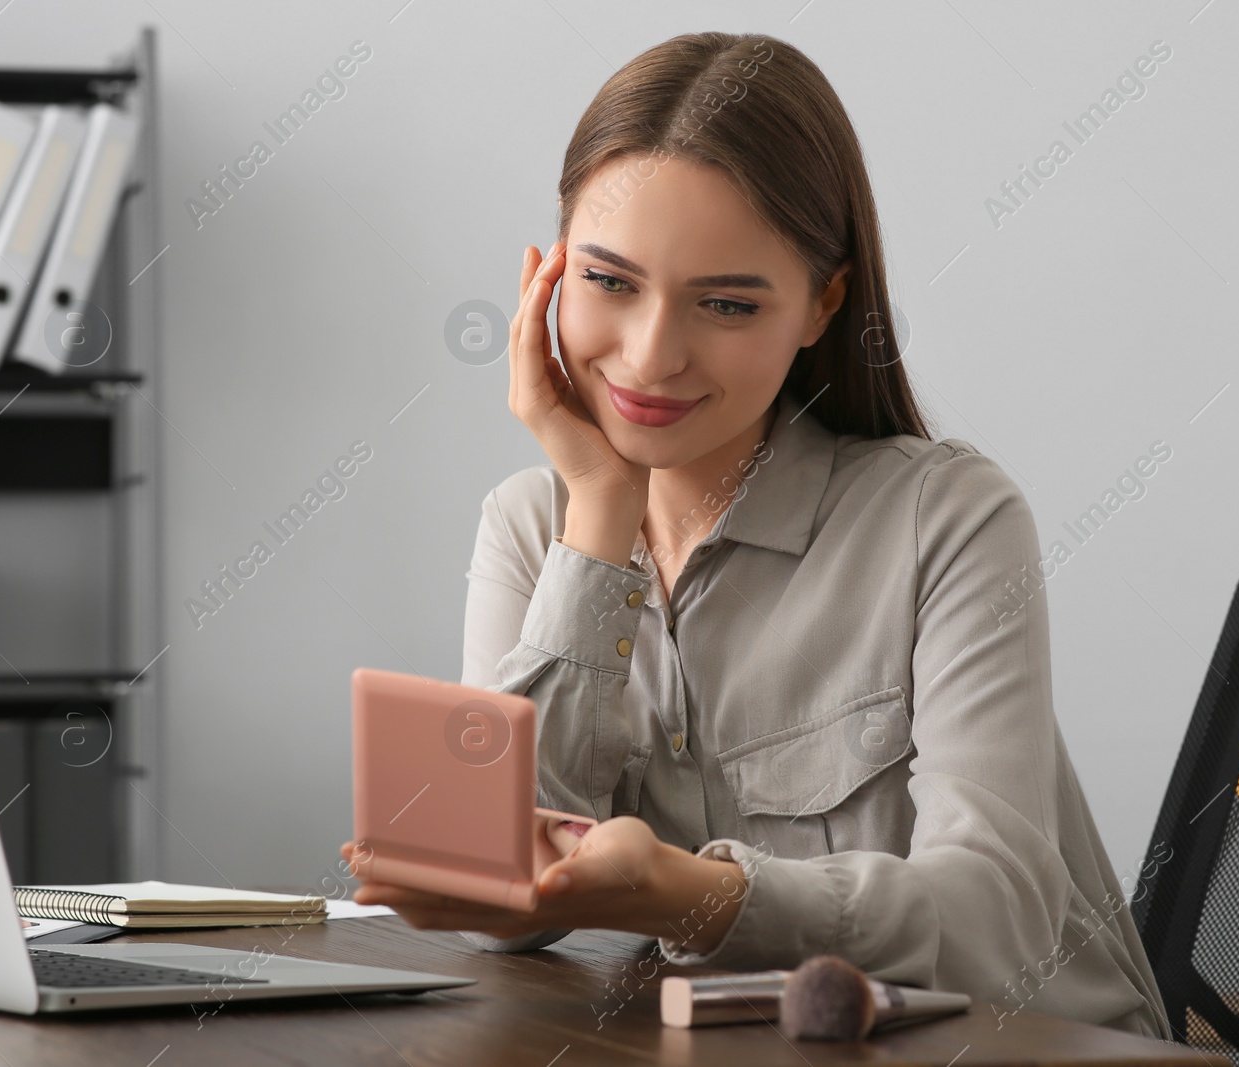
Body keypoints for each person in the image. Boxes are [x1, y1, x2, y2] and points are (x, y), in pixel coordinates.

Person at [346, 30, 1171, 1040]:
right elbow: (496, 907)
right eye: (608, 282)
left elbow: (994, 924)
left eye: (727, 302)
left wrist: (691, 893)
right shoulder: (532, 524)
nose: (650, 356)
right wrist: (600, 517)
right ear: (548, 272)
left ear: (823, 301)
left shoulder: (948, 517)